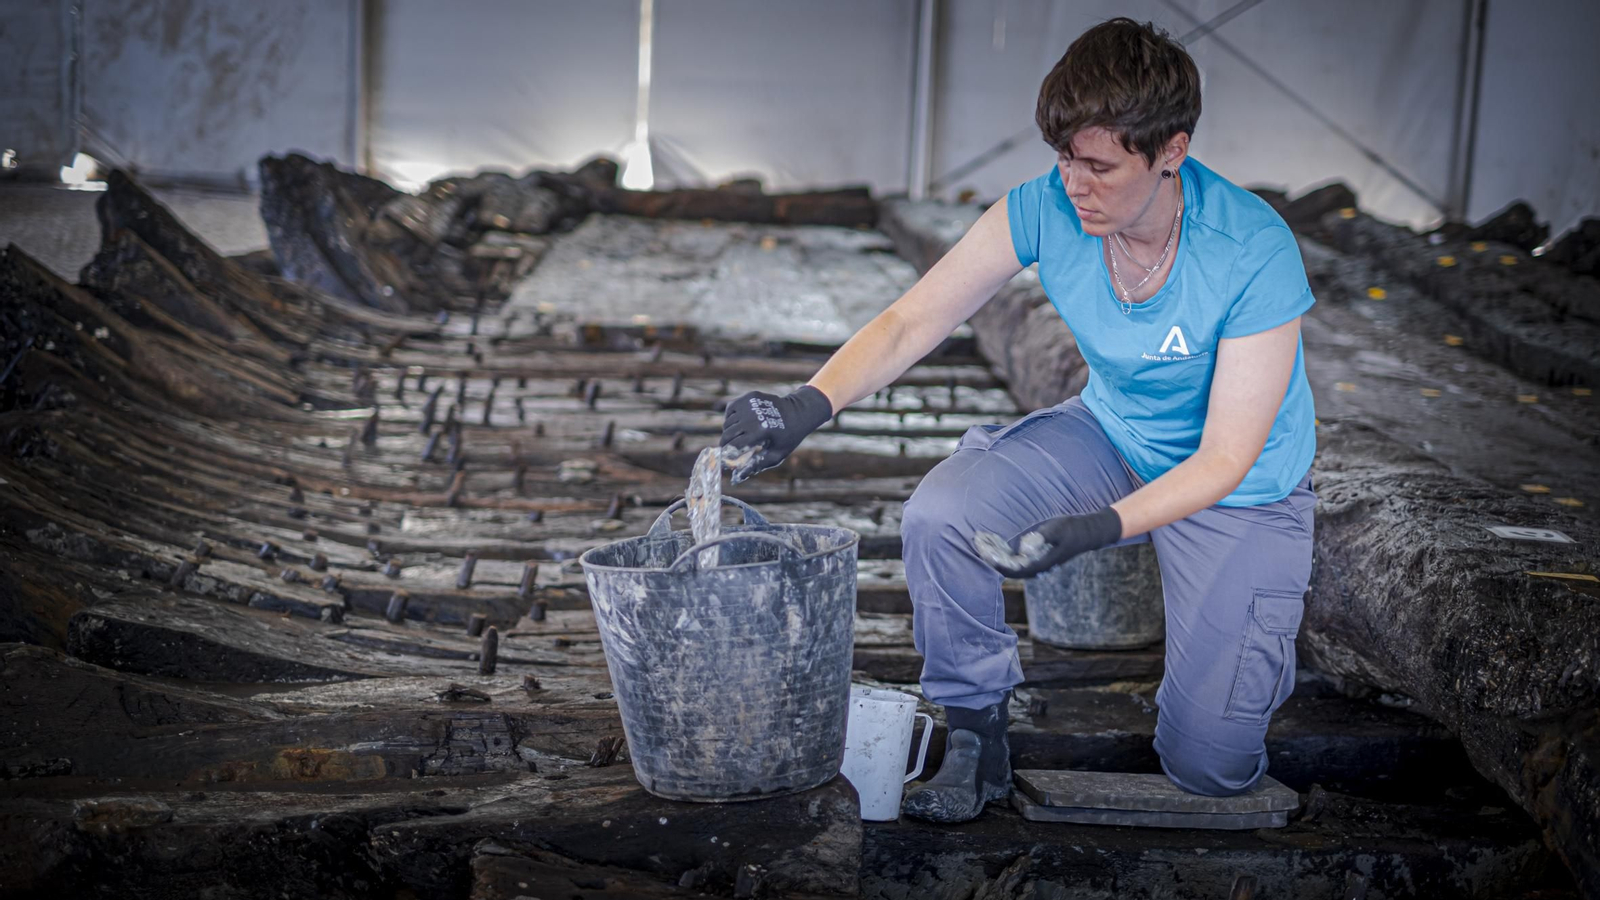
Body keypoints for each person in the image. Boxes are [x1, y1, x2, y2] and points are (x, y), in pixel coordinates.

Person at [720, 17, 1317, 824]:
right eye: (1065, 158)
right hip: (1115, 435)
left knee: (1209, 765)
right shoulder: (1045, 208)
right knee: (943, 512)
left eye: (1100, 166)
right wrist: (807, 404)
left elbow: (1224, 459)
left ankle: (1231, 672)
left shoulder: (1252, 248)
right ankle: (975, 731)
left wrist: (1098, 529)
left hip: (1239, 490)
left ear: (1172, 151)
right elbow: (912, 320)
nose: (1075, 185)